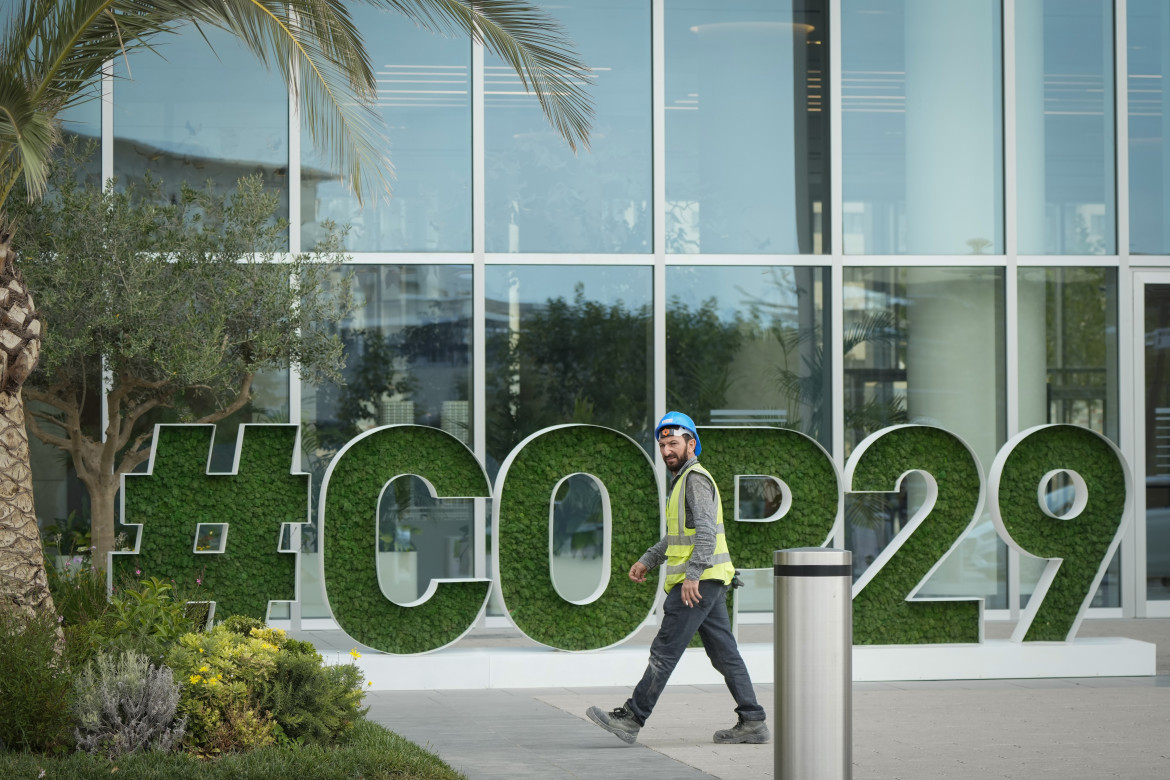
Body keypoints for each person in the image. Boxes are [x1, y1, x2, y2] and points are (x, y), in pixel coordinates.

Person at [586, 411, 769, 745]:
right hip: (710, 579)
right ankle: (753, 720)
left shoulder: (695, 479)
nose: (667, 450)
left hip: (698, 583)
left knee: (664, 651)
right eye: (662, 444)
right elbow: (677, 536)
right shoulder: (683, 480)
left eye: (673, 443)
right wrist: (649, 559)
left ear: (691, 443)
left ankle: (632, 718)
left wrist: (692, 576)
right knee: (724, 653)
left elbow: (705, 532)